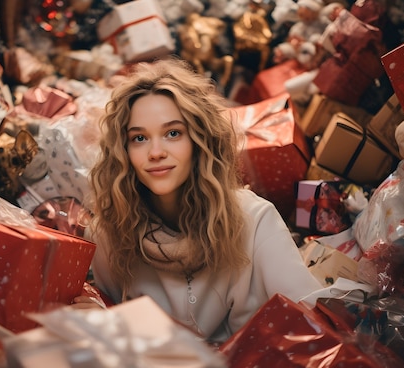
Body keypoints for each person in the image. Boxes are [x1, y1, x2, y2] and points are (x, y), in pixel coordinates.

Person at [73, 58, 322, 344]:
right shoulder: (108, 234)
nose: (155, 152)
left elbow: (312, 319)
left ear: (200, 141)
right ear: (123, 151)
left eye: (173, 133)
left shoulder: (254, 219)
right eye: (139, 138)